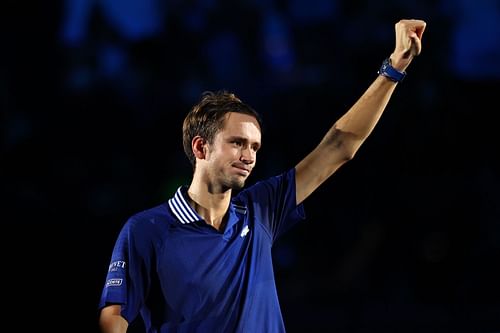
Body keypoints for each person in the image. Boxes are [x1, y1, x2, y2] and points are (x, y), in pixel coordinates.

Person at [98, 19, 427, 333]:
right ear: (201, 147)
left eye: (255, 147)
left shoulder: (260, 210)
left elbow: (339, 145)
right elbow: (115, 318)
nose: (249, 156)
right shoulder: (146, 230)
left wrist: (394, 68)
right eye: (237, 143)